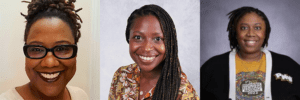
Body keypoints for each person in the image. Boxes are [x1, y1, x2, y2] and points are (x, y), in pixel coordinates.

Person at [200, 6, 300, 100]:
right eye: (244, 28)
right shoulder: (212, 67)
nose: (250, 34)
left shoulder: (288, 66)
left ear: (265, 32)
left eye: (257, 28)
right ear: (235, 32)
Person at [0, 0, 88, 99]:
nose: (49, 63)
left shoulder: (81, 96)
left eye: (61, 48)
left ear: (75, 52)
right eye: (37, 50)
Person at [109, 4, 199, 100]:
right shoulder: (121, 75)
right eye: (138, 37)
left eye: (157, 38)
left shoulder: (184, 93)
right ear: (128, 39)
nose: (147, 48)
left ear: (170, 42)